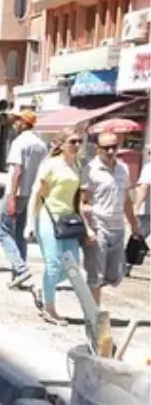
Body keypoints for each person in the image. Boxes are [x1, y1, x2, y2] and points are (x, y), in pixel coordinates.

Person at [28, 130, 86, 325]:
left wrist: (85, 220)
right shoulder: (50, 165)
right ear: (60, 144)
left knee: (72, 268)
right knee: (53, 265)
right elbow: (36, 193)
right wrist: (30, 222)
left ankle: (41, 287)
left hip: (68, 220)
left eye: (80, 141)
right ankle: (49, 309)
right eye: (72, 142)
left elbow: (77, 197)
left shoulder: (77, 165)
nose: (77, 145)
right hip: (48, 217)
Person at [81, 131, 140, 307]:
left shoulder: (123, 169)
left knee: (115, 275)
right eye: (106, 148)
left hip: (118, 228)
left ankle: (90, 295)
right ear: (98, 149)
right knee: (96, 275)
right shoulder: (90, 170)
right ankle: (93, 313)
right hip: (98, 226)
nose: (111, 151)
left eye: (114, 146)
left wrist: (134, 225)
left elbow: (126, 199)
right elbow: (82, 200)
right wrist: (87, 226)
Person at [0, 110, 48, 289]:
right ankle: (17, 277)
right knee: (20, 233)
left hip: (17, 192)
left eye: (17, 120)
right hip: (31, 194)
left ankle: (20, 269)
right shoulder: (41, 145)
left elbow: (17, 171)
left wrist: (12, 195)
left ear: (24, 123)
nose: (14, 123)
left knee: (3, 231)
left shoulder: (20, 142)